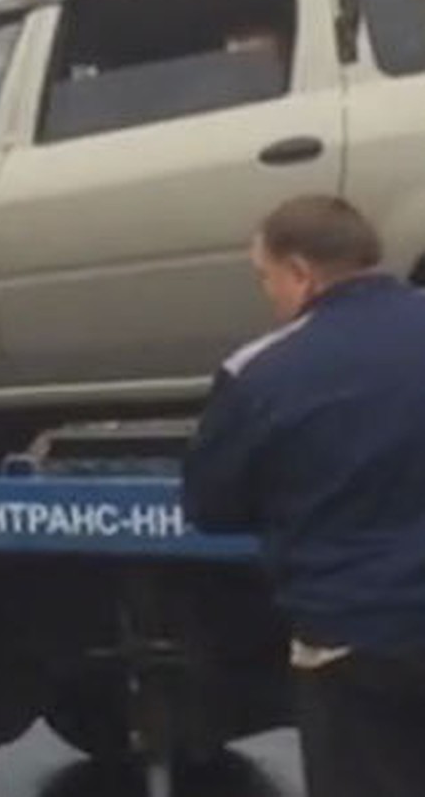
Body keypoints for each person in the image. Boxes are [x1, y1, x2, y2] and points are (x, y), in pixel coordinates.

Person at [182, 194, 425, 797]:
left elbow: (211, 508)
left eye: (265, 278)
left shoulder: (262, 370)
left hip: (353, 637)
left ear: (300, 272)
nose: (269, 296)